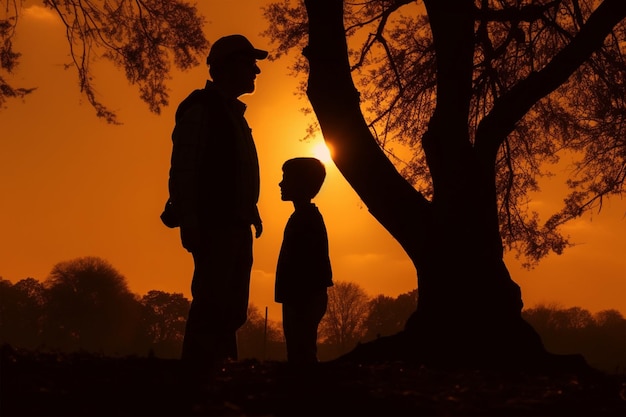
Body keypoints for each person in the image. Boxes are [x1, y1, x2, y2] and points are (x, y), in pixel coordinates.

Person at [166, 34, 268, 378]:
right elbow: (184, 167)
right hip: (215, 223)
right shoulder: (201, 109)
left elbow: (234, 169)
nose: (255, 70)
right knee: (212, 302)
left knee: (232, 308)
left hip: (235, 222)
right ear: (225, 67)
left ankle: (221, 373)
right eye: (248, 63)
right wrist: (189, 219)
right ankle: (198, 376)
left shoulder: (229, 112)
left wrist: (250, 211)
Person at [275, 157, 333, 368]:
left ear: (300, 183)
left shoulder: (306, 219)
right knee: (300, 351)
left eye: (286, 178)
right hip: (298, 296)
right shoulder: (304, 217)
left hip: (302, 297)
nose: (281, 184)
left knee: (301, 352)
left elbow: (305, 267)